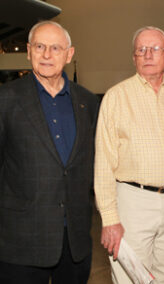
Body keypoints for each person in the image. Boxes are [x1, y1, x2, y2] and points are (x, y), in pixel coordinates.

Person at [94, 26, 164, 284]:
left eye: (155, 49)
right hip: (133, 204)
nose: (148, 54)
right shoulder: (116, 98)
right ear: (134, 58)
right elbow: (103, 165)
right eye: (141, 50)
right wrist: (110, 219)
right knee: (133, 278)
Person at [0, 21, 99, 284]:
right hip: (20, 244)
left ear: (69, 54)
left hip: (74, 242)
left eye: (55, 48)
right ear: (29, 51)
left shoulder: (88, 102)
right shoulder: (5, 99)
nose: (47, 55)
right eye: (40, 47)